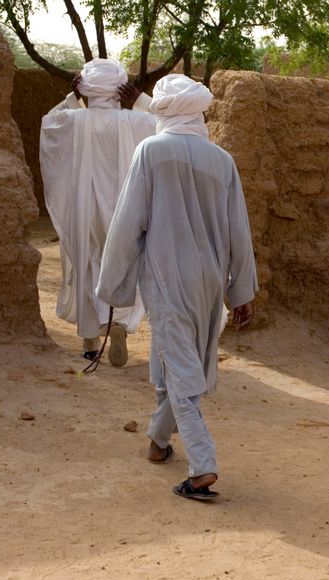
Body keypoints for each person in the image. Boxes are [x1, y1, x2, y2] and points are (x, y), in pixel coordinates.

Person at [97, 74, 257, 501]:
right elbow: (238, 230)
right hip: (210, 278)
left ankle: (202, 464)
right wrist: (241, 291)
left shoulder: (151, 151)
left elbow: (128, 222)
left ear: (164, 110)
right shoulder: (221, 160)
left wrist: (114, 287)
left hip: (167, 275)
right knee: (181, 359)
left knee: (181, 365)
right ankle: (158, 441)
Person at [40, 58, 155, 366]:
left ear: (87, 88)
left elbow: (50, 123)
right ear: (122, 90)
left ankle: (92, 343)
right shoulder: (137, 122)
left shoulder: (74, 120)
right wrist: (141, 101)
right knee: (123, 265)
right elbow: (174, 125)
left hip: (85, 210)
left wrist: (72, 98)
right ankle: (118, 324)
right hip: (125, 211)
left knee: (87, 264)